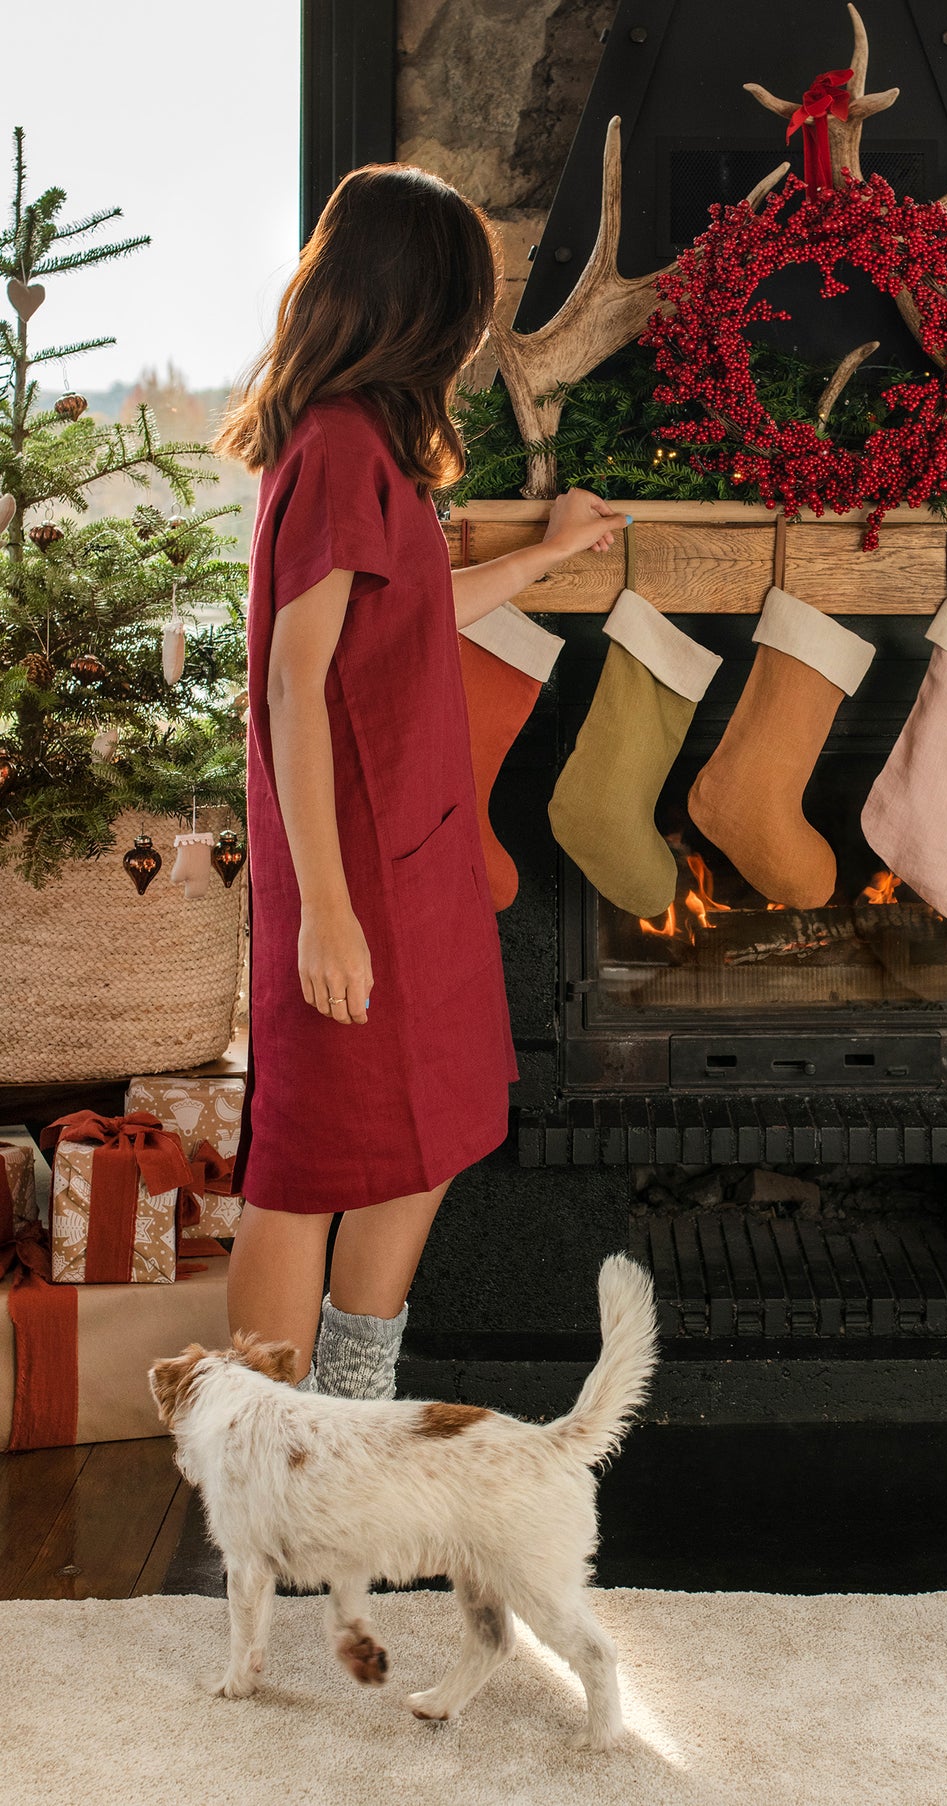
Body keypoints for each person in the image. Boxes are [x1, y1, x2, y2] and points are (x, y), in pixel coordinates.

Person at [215, 163, 625, 1397]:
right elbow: (296, 683)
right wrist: (326, 913)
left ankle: (343, 1422)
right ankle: (271, 1465)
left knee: (423, 1145)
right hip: (353, 870)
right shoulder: (338, 448)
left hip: (411, 853)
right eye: (471, 303)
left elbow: (411, 612)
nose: (477, 329)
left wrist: (549, 558)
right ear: (420, 304)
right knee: (311, 1167)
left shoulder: (367, 444)